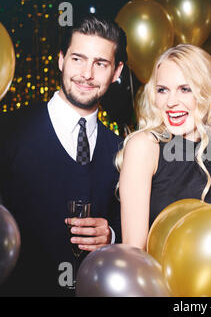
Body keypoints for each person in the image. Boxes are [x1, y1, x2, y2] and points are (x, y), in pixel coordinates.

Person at [0, 15, 126, 296]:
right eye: (78, 59)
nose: (87, 74)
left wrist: (111, 237)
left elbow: (134, 231)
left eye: (100, 63)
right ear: (61, 60)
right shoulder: (8, 131)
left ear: (116, 72)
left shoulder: (123, 150)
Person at [117, 44, 211, 251]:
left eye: (185, 89)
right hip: (151, 279)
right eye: (162, 90)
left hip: (210, 277)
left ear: (207, 93)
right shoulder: (144, 147)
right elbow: (134, 251)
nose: (171, 102)